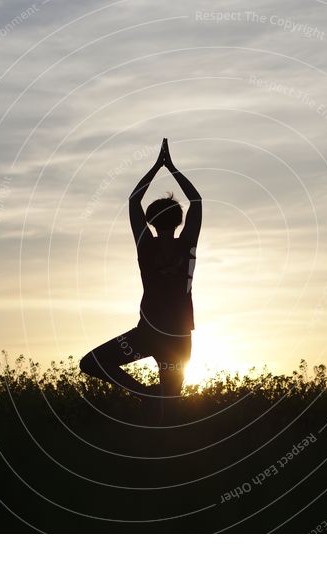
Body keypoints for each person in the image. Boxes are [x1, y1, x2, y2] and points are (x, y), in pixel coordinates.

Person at [79, 138, 202, 404]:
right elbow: (196, 200)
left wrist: (158, 166)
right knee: (169, 405)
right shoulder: (186, 244)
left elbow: (135, 200)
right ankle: (154, 404)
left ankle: (145, 395)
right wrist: (172, 168)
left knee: (92, 363)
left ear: (151, 221)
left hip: (148, 335)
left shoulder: (146, 245)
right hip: (177, 337)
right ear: (179, 220)